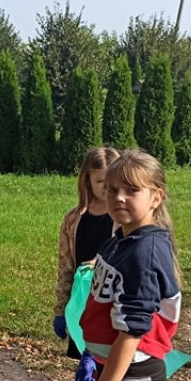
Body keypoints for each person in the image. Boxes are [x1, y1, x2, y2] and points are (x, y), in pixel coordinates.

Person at [72, 149, 182, 381]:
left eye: (132, 190)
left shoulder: (143, 253)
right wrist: (92, 355)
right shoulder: (119, 239)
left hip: (133, 373)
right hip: (116, 365)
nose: (119, 198)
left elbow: (131, 334)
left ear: (156, 197)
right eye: (112, 190)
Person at [52, 147, 120, 358]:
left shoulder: (122, 218)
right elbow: (65, 266)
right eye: (100, 182)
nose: (106, 187)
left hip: (112, 304)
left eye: (111, 181)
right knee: (88, 360)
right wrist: (61, 309)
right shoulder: (73, 219)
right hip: (83, 304)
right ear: (87, 181)